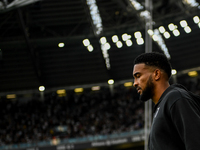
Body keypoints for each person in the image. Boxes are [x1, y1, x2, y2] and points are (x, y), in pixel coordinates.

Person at [132, 52, 200, 150]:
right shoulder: (163, 106)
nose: (135, 83)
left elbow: (196, 142)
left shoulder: (176, 98)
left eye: (138, 76)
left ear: (156, 74)